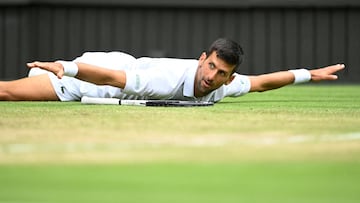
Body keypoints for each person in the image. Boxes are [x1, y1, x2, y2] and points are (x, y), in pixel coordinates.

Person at [0, 38, 344, 102]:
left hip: (114, 70)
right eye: (210, 66)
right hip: (91, 79)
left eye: (222, 73)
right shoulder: (164, 80)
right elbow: (108, 78)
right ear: (201, 58)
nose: (212, 76)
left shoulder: (224, 85)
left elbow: (261, 83)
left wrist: (308, 74)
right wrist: (66, 69)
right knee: (7, 92)